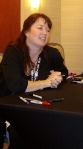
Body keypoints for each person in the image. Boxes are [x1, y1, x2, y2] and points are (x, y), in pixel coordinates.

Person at [0, 13, 68, 148]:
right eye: (40, 28)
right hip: (8, 106)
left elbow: (65, 73)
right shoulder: (13, 51)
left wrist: (58, 77)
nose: (45, 33)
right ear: (26, 31)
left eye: (48, 29)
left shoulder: (52, 53)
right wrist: (47, 82)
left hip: (35, 107)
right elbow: (15, 86)